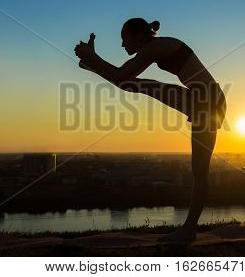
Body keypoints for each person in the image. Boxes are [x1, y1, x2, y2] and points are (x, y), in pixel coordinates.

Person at [74, 17, 227, 242]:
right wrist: (92, 62)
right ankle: (189, 229)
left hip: (206, 100)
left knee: (142, 86)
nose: (123, 45)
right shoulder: (157, 46)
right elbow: (123, 78)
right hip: (209, 99)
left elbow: (120, 77)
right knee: (199, 172)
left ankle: (188, 230)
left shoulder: (154, 47)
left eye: (125, 39)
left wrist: (93, 59)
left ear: (139, 36)